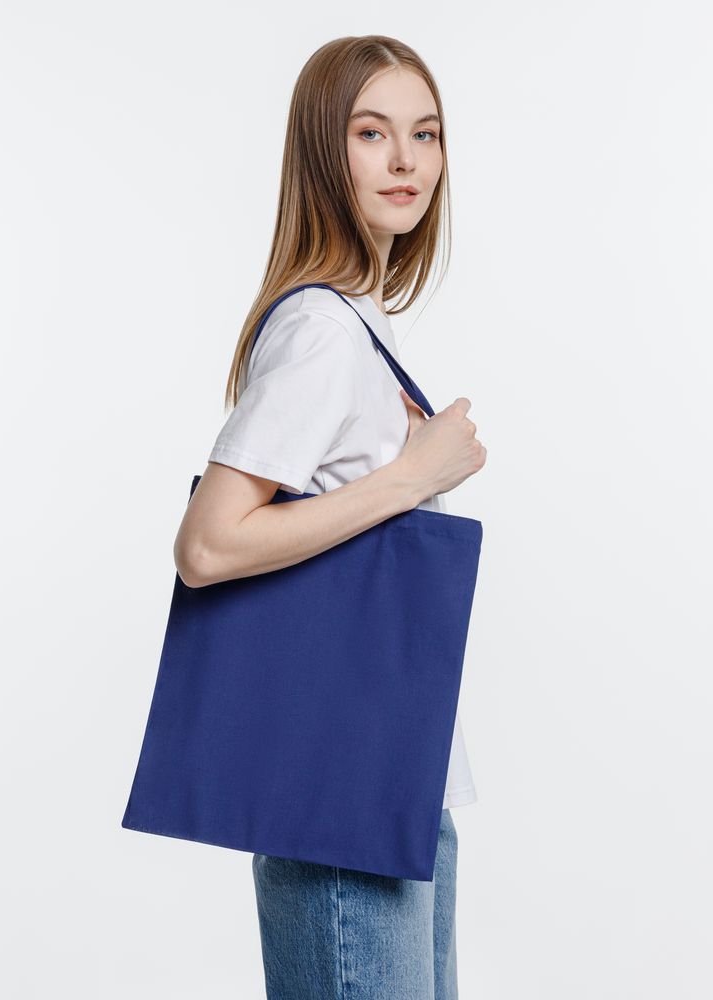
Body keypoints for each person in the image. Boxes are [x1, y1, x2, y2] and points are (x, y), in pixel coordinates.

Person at [173, 35, 486, 1000]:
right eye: (371, 132)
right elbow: (209, 543)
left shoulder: (359, 322)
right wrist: (410, 477)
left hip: (398, 777)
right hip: (344, 792)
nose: (406, 160)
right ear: (323, 151)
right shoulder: (321, 330)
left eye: (425, 134)